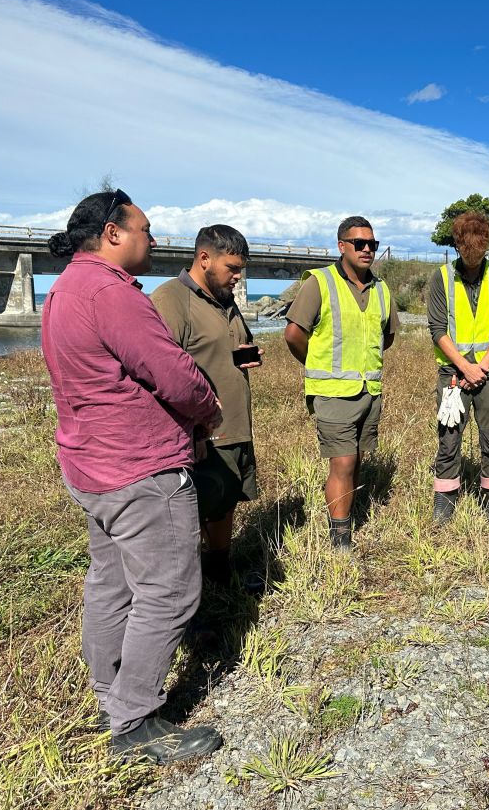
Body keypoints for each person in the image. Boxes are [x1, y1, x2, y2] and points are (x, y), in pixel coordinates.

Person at [42, 189, 224, 764]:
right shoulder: (110, 293)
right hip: (138, 466)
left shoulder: (65, 288)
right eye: (145, 228)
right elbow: (173, 374)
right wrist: (210, 410)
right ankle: (135, 720)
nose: (153, 238)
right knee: (169, 591)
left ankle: (110, 693)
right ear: (114, 233)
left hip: (90, 466)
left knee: (112, 581)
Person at [151, 224, 261, 588]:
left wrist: (244, 355)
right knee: (193, 508)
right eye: (232, 268)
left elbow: (218, 348)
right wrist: (193, 430)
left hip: (234, 425)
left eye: (240, 269)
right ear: (204, 258)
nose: (237, 277)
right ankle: (191, 584)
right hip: (201, 432)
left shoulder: (224, 299)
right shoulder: (171, 299)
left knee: (224, 502)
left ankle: (219, 573)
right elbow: (162, 370)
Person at [284, 216, 398, 549]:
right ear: (341, 246)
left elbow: (386, 335)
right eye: (359, 244)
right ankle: (340, 539)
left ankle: (345, 520)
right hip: (333, 393)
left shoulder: (381, 289)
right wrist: (317, 363)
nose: (367, 250)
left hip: (369, 390)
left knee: (357, 458)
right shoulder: (319, 283)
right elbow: (293, 335)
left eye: (372, 244)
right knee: (343, 461)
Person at [428, 211, 489, 534]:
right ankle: (445, 503)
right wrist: (464, 366)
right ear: (457, 246)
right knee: (448, 440)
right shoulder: (441, 279)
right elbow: (437, 329)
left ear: (487, 244)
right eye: (466, 250)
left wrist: (479, 368)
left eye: (479, 250)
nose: (472, 256)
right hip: (452, 373)